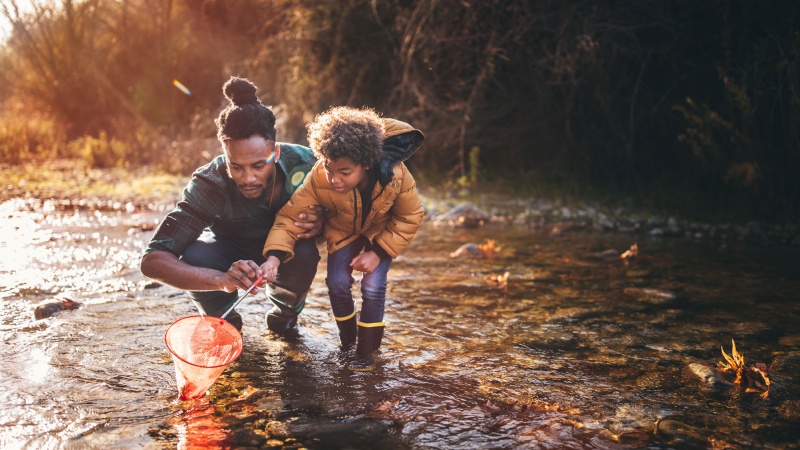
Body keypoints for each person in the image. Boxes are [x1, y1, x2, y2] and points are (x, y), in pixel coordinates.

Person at [140, 76, 323, 334]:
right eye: (236, 166)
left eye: (259, 166)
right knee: (195, 256)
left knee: (305, 252)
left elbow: (355, 209)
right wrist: (221, 280)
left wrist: (323, 223)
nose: (248, 178)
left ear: (276, 153)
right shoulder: (209, 182)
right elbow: (152, 261)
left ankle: (284, 319)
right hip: (227, 251)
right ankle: (226, 328)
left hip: (287, 252)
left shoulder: (307, 165)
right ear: (225, 153)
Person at [259, 106, 425, 370]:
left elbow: (410, 216)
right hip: (342, 231)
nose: (334, 179)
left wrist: (379, 253)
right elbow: (289, 217)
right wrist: (274, 258)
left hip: (380, 234)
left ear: (366, 163)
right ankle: (348, 345)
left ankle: (366, 354)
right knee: (336, 282)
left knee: (372, 286)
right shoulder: (319, 177)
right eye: (329, 169)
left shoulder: (396, 175)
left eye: (344, 172)